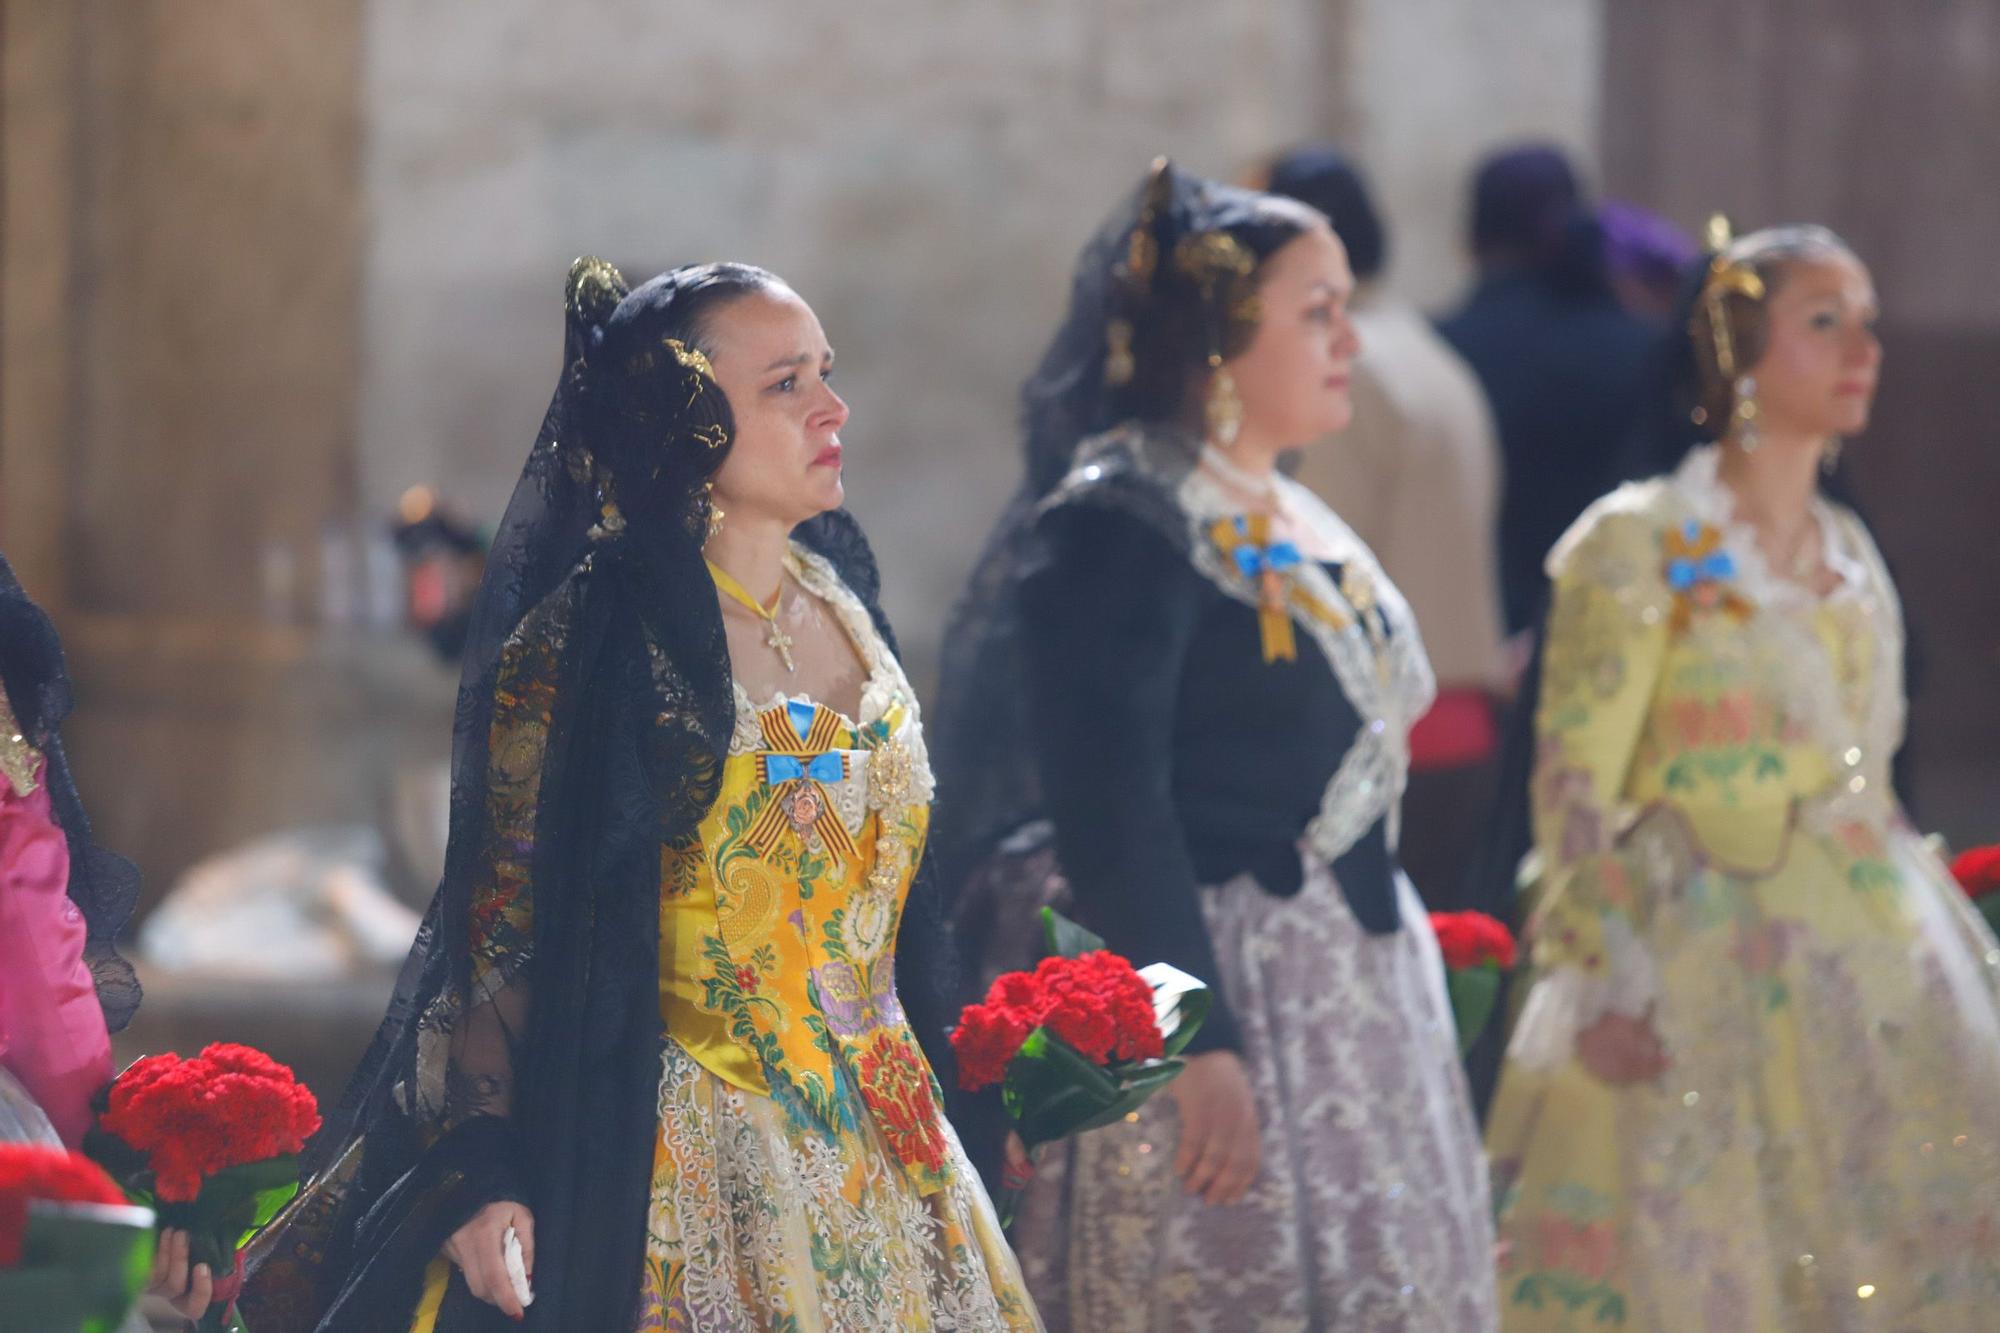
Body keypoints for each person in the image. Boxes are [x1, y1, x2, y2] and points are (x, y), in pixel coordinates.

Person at [242, 259, 1038, 1330]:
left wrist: (977, 1084)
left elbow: (900, 913)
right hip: (684, 1153)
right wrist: (483, 1166)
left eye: (826, 374)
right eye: (786, 383)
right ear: (685, 418)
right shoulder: (599, 636)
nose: (832, 408)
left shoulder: (844, 603)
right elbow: (503, 933)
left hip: (892, 1148)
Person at [935, 160, 1497, 1330]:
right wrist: (1198, 1041)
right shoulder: (1118, 522)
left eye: (1345, 304)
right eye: (1316, 312)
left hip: (1344, 977)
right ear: (1215, 343)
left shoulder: (1283, 506)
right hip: (1212, 978)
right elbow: (1112, 804)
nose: (1349, 338)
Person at [1485, 226, 2000, 1329]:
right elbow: (1573, 787)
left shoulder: (1848, 545)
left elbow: (1872, 770)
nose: (1860, 346)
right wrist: (1599, 979)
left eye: (1865, 320)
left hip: (1872, 961)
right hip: (1691, 953)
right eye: (1823, 321)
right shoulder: (1635, 542)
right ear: (1733, 351)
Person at [1265, 145, 1509, 911]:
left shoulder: (1341, 373)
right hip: (1464, 720)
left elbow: (1312, 568)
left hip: (1384, 733)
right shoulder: (1430, 352)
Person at [1437, 144, 1660, 638]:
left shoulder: (1438, 354)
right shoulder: (1646, 351)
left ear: (1469, 240)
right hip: (1612, 631)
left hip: (1470, 645)